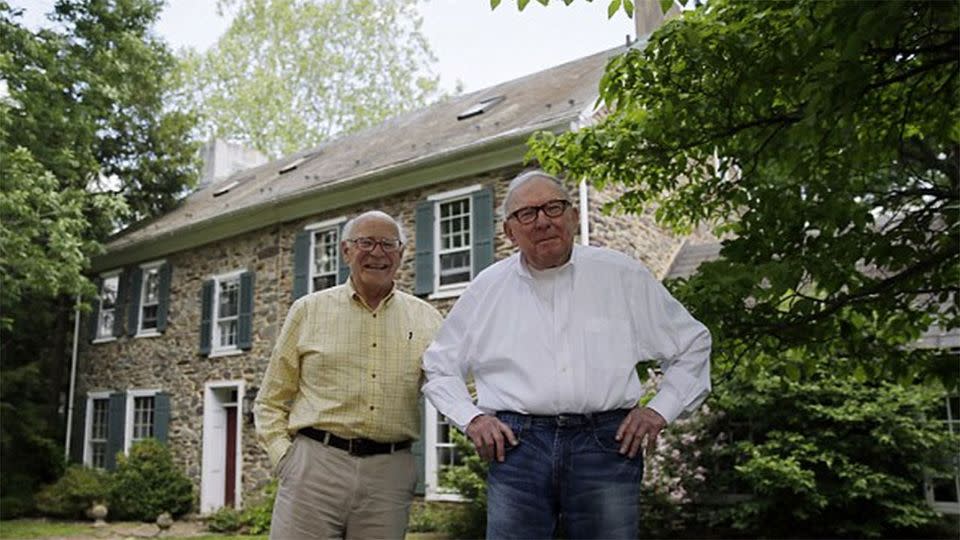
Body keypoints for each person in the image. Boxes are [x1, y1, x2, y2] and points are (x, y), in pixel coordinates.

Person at [422, 170, 712, 539]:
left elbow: (693, 344)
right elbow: (438, 366)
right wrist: (473, 419)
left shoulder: (621, 276)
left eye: (554, 208)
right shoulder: (486, 289)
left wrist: (660, 410)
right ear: (510, 232)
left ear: (573, 217)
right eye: (527, 214)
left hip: (606, 445)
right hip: (517, 449)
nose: (543, 221)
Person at [254, 210, 443, 540]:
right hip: (314, 468)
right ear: (346, 252)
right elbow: (271, 400)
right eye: (365, 243)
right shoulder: (308, 310)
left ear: (401, 254)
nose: (377, 252)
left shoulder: (427, 319)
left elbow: (454, 384)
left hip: (389, 474)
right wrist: (285, 458)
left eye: (387, 244)